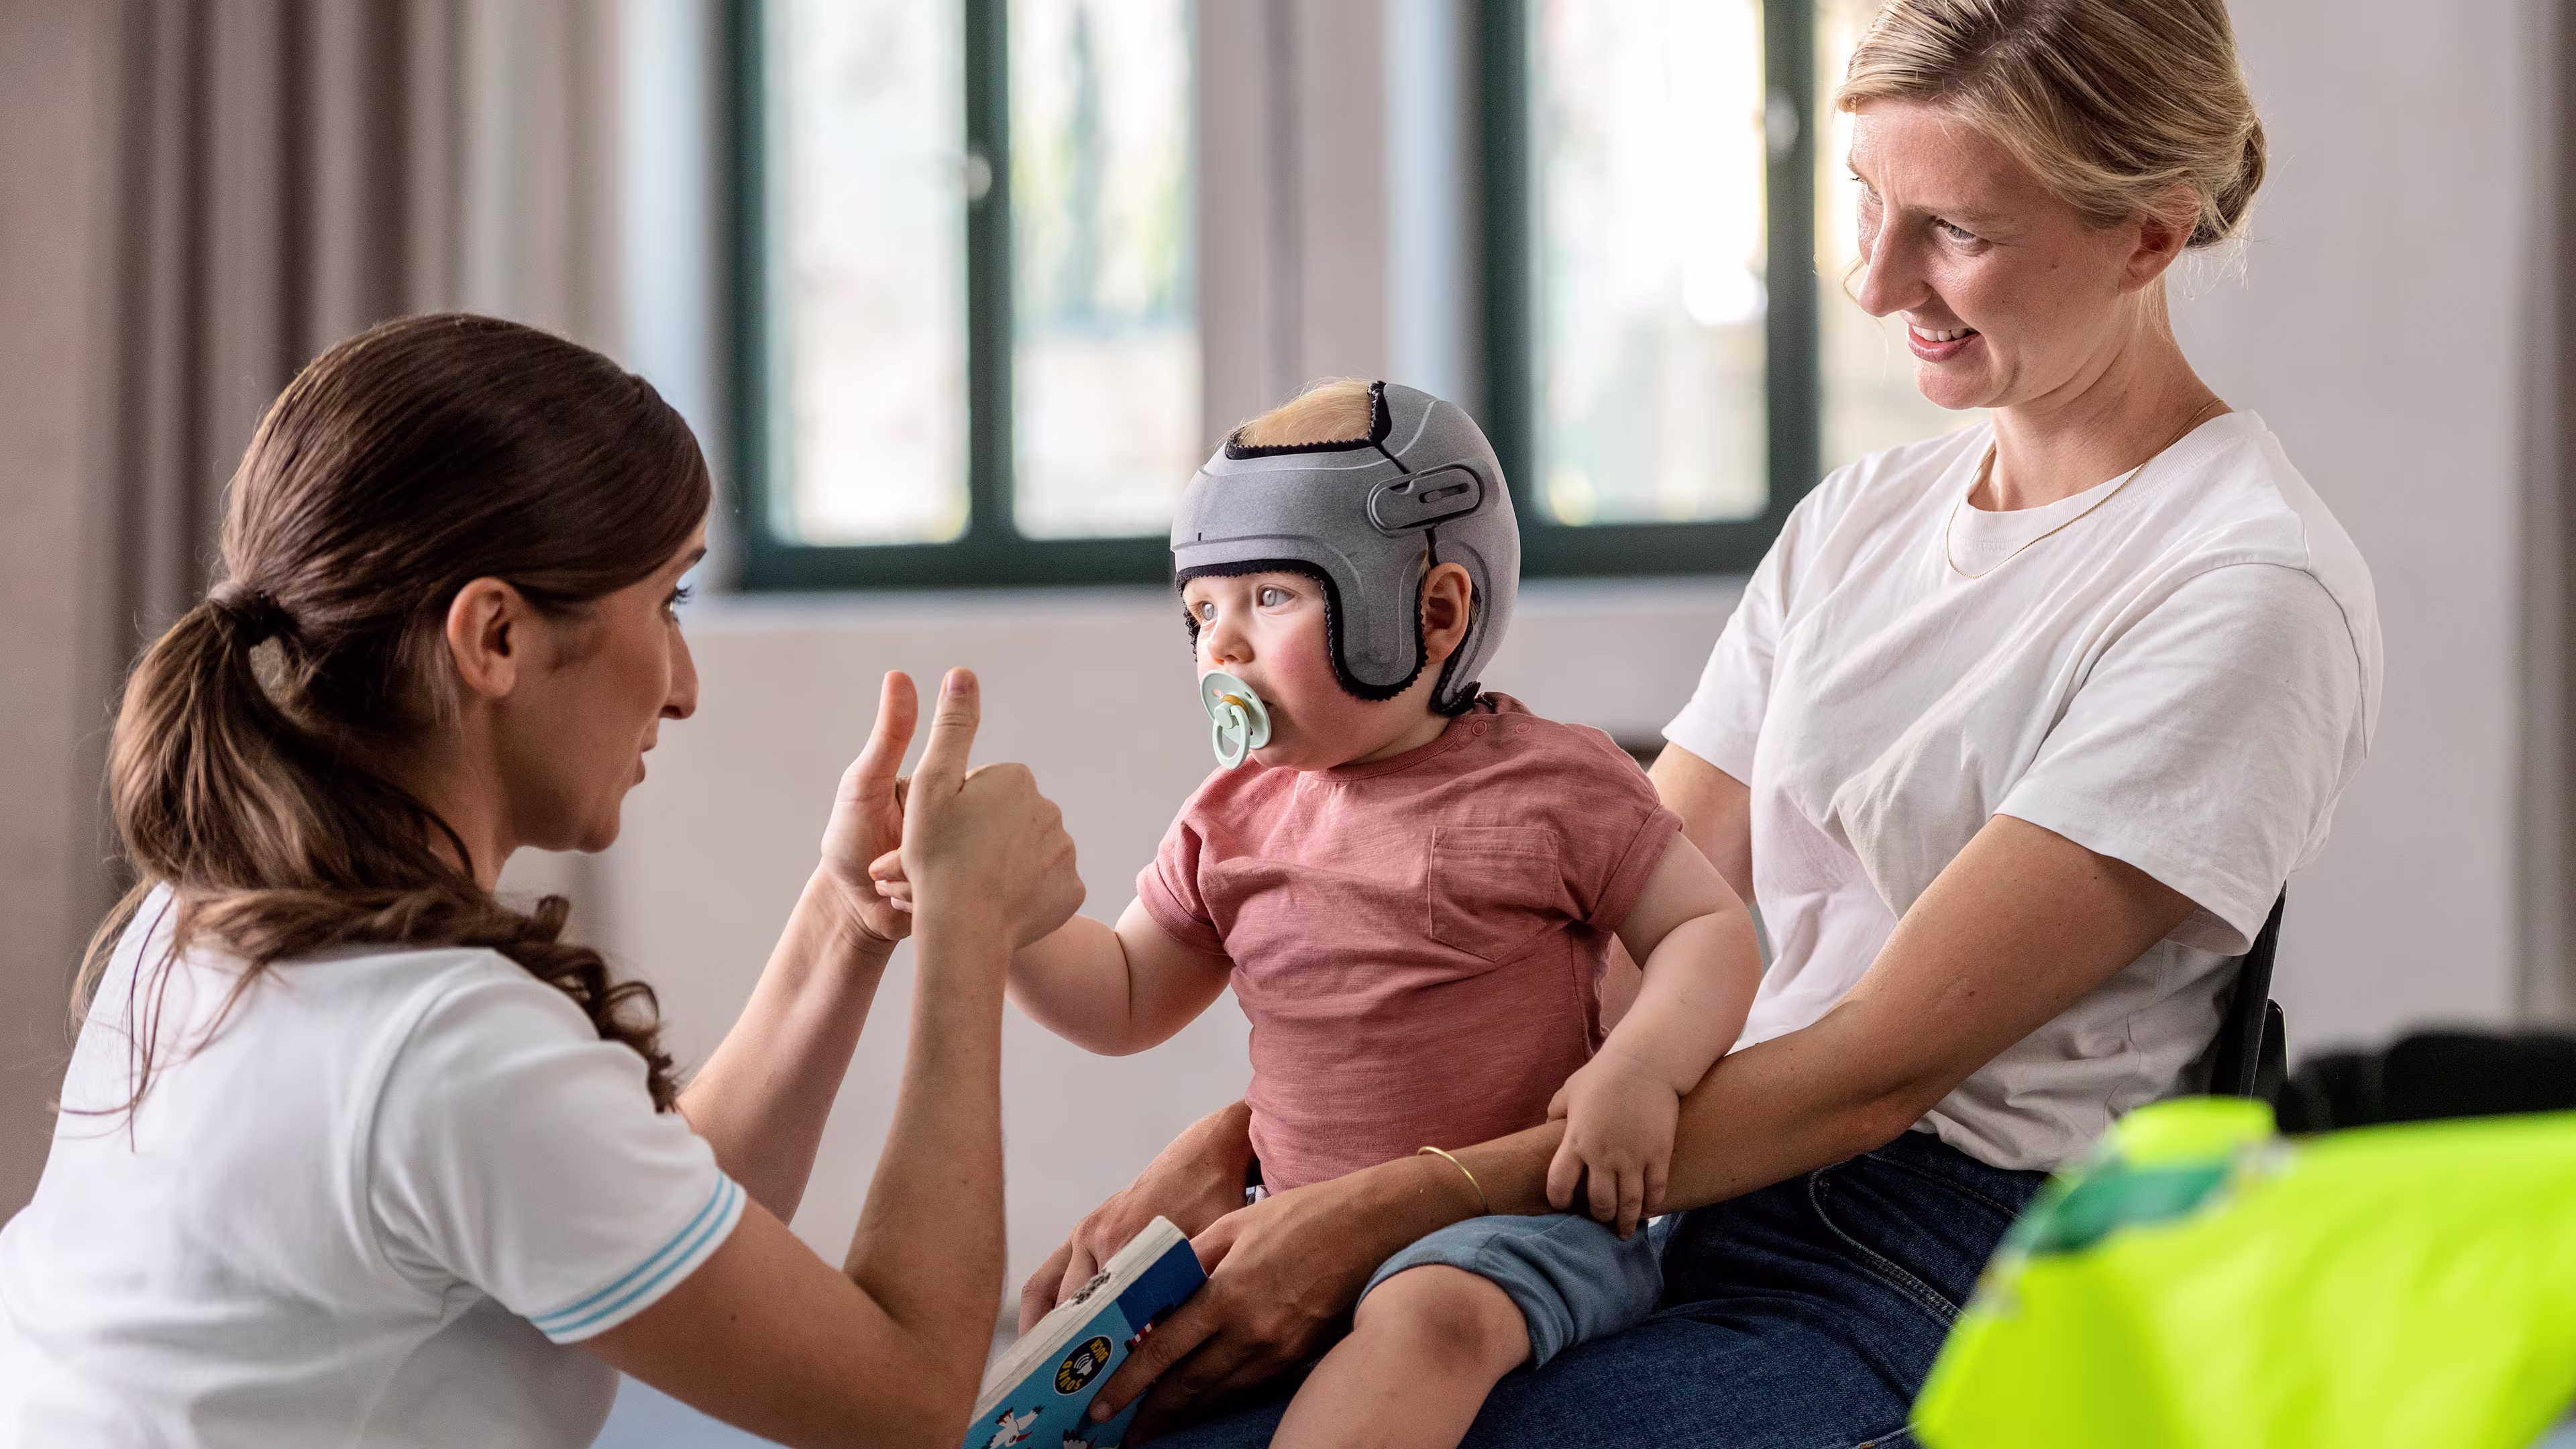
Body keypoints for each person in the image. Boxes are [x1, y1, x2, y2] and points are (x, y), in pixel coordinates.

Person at [1022, 1, 2385, 1444]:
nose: (1874, 282)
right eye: (1866, 200)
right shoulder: (1861, 521)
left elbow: (1880, 1066)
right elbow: (1601, 930)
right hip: (1654, 1174)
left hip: (1928, 1262)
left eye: (1958, 232)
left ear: (2150, 237)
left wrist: (1392, 1203)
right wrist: (1259, 1157)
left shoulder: (2243, 590)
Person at [0, 313, 1084, 1448]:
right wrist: (968, 924)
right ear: (496, 637)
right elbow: (904, 1404)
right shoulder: (444, 1042)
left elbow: (630, 1218)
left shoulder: (201, 921)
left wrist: (846, 917)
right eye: (668, 603)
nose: (684, 687)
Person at [873, 379, 1764, 1449]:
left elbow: (1708, 934)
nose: (1223, 648)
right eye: (1203, 611)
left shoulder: (1559, 785)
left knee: (1425, 1316)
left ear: (1434, 613)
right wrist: (991, 916)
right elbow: (1121, 998)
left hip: (1516, 1230)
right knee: (1095, 1352)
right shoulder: (1230, 818)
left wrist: (1641, 1070)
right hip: (1293, 1227)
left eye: (1271, 600)